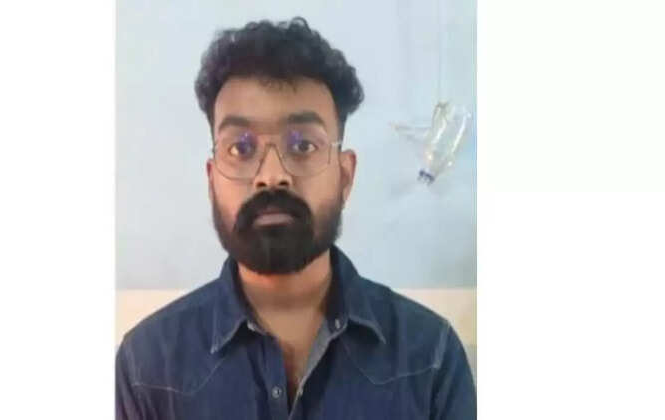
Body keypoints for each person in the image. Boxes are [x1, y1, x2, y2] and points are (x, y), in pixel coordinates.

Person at [116, 16, 476, 419]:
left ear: (345, 175)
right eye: (240, 148)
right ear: (212, 178)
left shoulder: (430, 359)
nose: (272, 175)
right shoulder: (146, 367)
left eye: (303, 145)